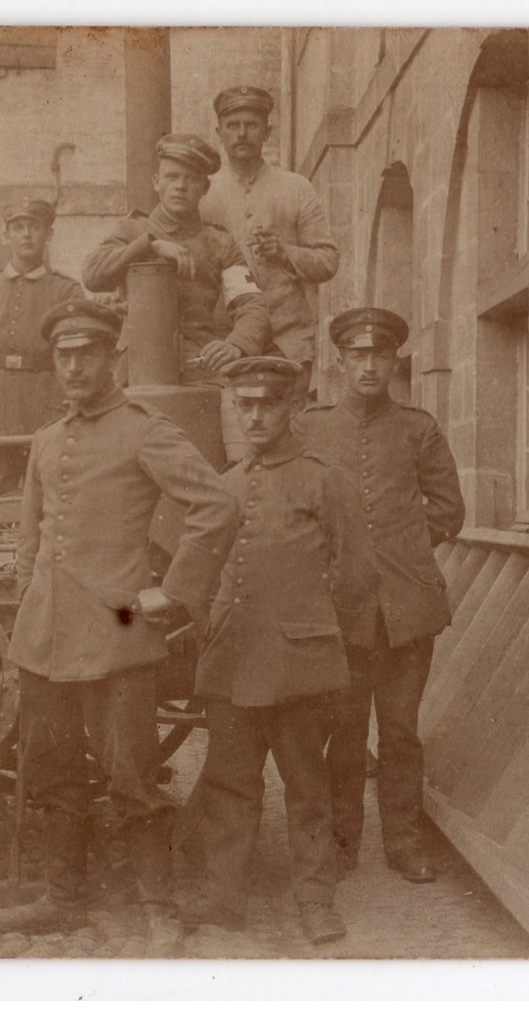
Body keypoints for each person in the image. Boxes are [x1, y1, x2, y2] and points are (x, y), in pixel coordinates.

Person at [0, 299, 239, 958]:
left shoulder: (143, 431)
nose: (75, 367)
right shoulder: (47, 439)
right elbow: (30, 531)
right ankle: (63, 897)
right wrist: (26, 600)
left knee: (132, 775)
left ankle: (159, 907)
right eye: (65, 355)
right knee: (49, 772)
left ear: (112, 358)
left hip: (118, 630)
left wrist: (174, 594)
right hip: (44, 637)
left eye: (87, 354)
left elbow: (215, 504)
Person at [182, 356, 377, 946]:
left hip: (301, 665)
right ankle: (223, 896)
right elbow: (207, 570)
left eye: (268, 403)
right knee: (230, 783)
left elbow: (357, 576)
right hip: (235, 663)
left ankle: (317, 900)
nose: (255, 416)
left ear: (294, 408)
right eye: (245, 405)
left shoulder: (327, 480)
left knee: (307, 786)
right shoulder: (228, 482)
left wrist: (322, 641)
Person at [293, 307, 465, 883]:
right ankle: (343, 844)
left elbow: (448, 511)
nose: (369, 367)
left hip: (407, 612)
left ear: (395, 361)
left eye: (380, 356)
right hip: (340, 609)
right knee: (344, 733)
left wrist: (403, 549)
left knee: (399, 731)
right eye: (358, 356)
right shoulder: (311, 428)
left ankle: (405, 842)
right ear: (340, 361)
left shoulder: (419, 429)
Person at [82, 133, 270, 384]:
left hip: (201, 366)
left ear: (205, 188)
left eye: (192, 179)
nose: (180, 186)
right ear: (156, 182)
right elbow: (93, 275)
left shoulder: (219, 242)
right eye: (172, 177)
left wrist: (238, 344)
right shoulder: (134, 231)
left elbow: (251, 304)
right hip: (139, 369)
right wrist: (150, 246)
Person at [200, 86, 340, 395]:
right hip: (226, 341)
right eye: (232, 126)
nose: (242, 134)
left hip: (287, 340)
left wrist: (285, 253)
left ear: (267, 131)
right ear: (218, 132)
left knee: (286, 428)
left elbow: (328, 260)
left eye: (251, 125)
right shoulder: (204, 194)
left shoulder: (296, 188)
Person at [0, 198, 85, 496]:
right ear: (7, 235)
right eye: (18, 227)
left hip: (46, 407)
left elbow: (76, 355)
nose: (26, 234)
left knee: (49, 492)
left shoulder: (66, 290)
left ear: (48, 235)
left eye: (35, 227)